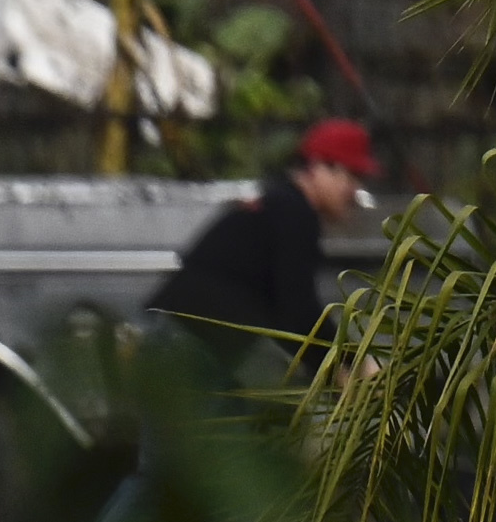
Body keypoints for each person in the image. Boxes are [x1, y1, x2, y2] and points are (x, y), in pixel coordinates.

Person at [150, 118, 377, 369]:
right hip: (184, 352)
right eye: (352, 176)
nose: (355, 191)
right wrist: (351, 363)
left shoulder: (278, 205)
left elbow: (289, 315)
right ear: (317, 168)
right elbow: (299, 313)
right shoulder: (294, 214)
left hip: (173, 339)